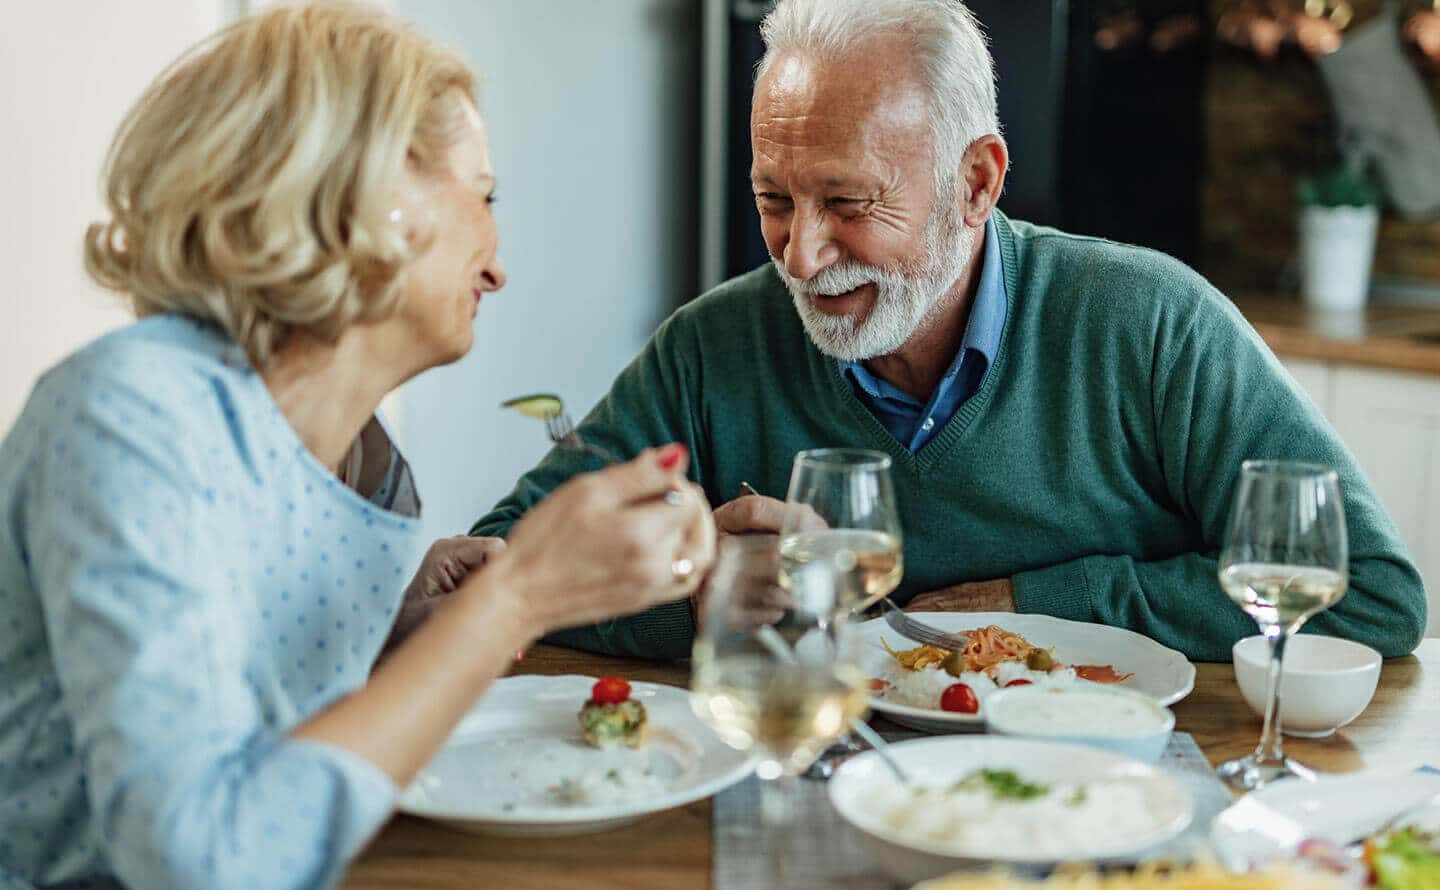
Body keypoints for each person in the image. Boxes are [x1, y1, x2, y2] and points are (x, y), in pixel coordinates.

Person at [0, 6, 715, 889]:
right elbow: (205, 860)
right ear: (368, 192)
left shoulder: (365, 462)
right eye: (482, 195)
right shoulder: (129, 415)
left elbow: (262, 726)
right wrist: (520, 596)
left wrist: (394, 632)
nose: (499, 264)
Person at [473, 0, 1426, 662]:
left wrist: (1045, 607)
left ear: (976, 183)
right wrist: (694, 596)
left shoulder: (1152, 324)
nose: (802, 256)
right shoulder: (710, 348)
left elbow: (1373, 595)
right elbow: (495, 573)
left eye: (848, 201)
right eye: (774, 199)